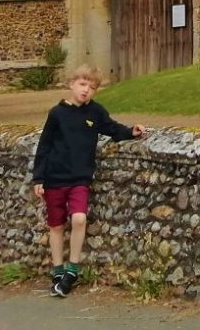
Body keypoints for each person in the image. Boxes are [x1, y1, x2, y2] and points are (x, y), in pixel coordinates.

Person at [30, 65, 146, 297]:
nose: (86, 91)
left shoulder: (95, 112)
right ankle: (57, 270)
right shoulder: (57, 114)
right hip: (55, 177)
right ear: (71, 84)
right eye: (82, 85)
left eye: (92, 87)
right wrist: (39, 177)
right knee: (56, 225)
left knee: (80, 219)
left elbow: (112, 128)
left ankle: (72, 269)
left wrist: (131, 131)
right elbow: (44, 146)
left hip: (80, 178)